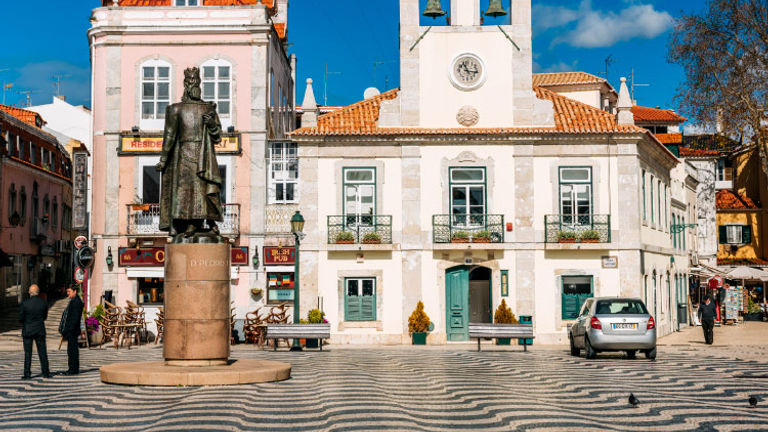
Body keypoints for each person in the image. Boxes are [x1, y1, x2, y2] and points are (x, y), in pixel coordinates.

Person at [19, 284, 50, 379]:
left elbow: (20, 318)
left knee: (28, 353)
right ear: (38, 292)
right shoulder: (43, 303)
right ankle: (46, 373)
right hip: (40, 329)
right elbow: (45, 316)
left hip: (28, 330)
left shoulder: (25, 303)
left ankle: (27, 374)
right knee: (42, 352)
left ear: (30, 293)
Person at [59, 286, 84, 375]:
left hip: (72, 331)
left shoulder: (77, 302)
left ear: (75, 291)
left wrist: (69, 329)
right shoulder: (74, 301)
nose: (67, 293)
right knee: (71, 350)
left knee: (72, 351)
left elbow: (75, 318)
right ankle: (72, 369)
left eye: (69, 291)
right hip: (71, 330)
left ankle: (73, 369)